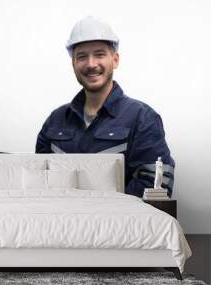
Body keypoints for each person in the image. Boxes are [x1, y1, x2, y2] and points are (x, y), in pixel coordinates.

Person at [36, 16, 174, 198]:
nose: (91, 64)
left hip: (120, 224)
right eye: (82, 57)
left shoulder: (142, 118)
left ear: (115, 60)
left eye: (99, 54)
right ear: (73, 64)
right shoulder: (55, 121)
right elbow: (39, 181)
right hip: (64, 223)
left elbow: (156, 185)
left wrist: (100, 210)